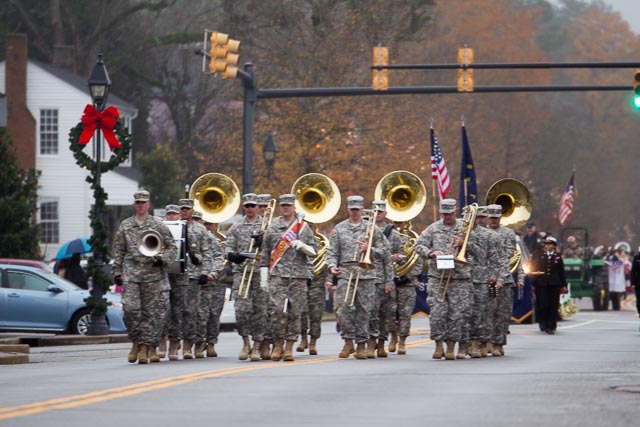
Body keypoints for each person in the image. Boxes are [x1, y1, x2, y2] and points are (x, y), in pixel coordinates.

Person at [112, 190, 177, 364]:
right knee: (130, 309)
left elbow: (172, 247)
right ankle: (136, 341)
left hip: (153, 275)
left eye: (143, 202)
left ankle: (149, 347)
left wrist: (162, 259)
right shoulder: (125, 225)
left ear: (149, 204)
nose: (140, 205)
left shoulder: (158, 224)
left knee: (153, 313)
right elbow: (119, 250)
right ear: (134, 205)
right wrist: (117, 272)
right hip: (132, 274)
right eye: (138, 203)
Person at [414, 198, 478, 360]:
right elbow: (418, 245)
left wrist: (465, 243)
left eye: (449, 214)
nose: (446, 217)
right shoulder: (433, 228)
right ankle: (438, 344)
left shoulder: (467, 227)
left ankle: (451, 345)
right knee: (437, 312)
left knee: (457, 314)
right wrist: (431, 253)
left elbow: (479, 251)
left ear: (455, 211)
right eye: (444, 214)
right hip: (438, 276)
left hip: (459, 278)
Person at [326, 195, 386, 359]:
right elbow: (332, 253)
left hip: (366, 273)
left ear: (362, 209)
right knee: (344, 309)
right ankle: (348, 341)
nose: (354, 212)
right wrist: (332, 266)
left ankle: (361, 344)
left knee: (364, 311)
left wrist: (370, 249)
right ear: (348, 209)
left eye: (357, 209)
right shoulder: (339, 229)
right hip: (346, 272)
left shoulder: (372, 228)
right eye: (352, 209)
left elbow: (384, 252)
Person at [261, 194, 316, 362]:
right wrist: (264, 278)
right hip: (278, 276)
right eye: (283, 205)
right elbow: (265, 255)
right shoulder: (272, 227)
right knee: (277, 311)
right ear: (280, 207)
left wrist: (303, 246)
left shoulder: (303, 227)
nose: (286, 208)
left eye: (288, 205)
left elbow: (314, 251)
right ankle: (278, 344)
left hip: (298, 276)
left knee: (295, 313)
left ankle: (289, 346)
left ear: (293, 207)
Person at [225, 193, 269, 361]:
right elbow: (227, 247)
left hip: (260, 272)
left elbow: (276, 248)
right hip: (241, 272)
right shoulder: (236, 227)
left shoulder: (266, 226)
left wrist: (263, 241)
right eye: (247, 206)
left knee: (260, 310)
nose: (250, 209)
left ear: (258, 206)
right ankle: (245, 342)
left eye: (253, 205)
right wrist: (233, 255)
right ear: (243, 207)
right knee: (242, 309)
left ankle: (257, 346)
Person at [485, 204, 524, 356]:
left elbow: (509, 253)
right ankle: (487, 341)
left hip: (504, 278)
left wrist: (495, 261)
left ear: (500, 218)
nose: (493, 220)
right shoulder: (481, 232)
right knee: (487, 313)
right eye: (491, 217)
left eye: (496, 218)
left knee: (502, 314)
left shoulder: (508, 233)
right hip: (486, 277)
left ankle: (499, 343)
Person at [178, 198, 212, 358]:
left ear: (192, 210)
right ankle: (174, 343)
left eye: (187, 209)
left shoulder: (200, 230)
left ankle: (188, 344)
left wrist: (204, 273)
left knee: (191, 312)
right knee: (178, 311)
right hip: (176, 275)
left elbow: (206, 252)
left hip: (193, 275)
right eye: (182, 209)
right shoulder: (174, 227)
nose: (184, 211)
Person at [192, 210, 225, 358]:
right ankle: (199, 344)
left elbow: (221, 258)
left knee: (214, 314)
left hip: (216, 282)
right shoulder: (195, 238)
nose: (207, 226)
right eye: (204, 223)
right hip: (200, 282)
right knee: (200, 314)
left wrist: (213, 273)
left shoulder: (216, 240)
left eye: (210, 224)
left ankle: (211, 343)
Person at [367, 200, 395, 358]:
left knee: (384, 314)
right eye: (375, 211)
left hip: (380, 279)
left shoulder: (388, 232)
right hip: (365, 278)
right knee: (369, 313)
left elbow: (387, 259)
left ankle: (381, 343)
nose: (377, 214)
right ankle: (370, 342)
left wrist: (389, 282)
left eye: (380, 211)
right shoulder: (364, 228)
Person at [530, 236, 567, 334]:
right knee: (543, 304)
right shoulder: (539, 255)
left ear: (554, 246)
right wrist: (533, 283)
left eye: (549, 244)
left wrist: (563, 285)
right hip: (541, 283)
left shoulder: (558, 257)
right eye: (546, 244)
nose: (547, 246)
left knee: (553, 305)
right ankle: (543, 322)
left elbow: (561, 272)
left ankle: (551, 326)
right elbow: (534, 269)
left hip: (554, 284)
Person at [630, 247, 640, 318]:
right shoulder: (636, 258)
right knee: (639, 300)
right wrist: (632, 283)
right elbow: (633, 271)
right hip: (638, 283)